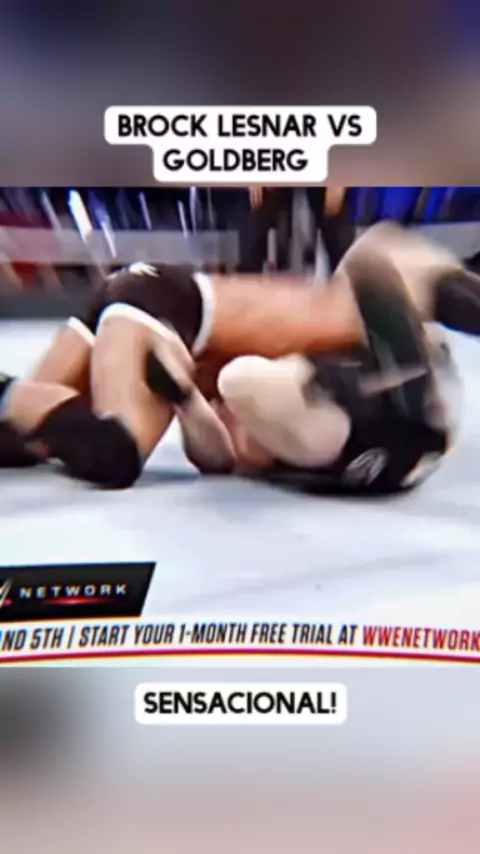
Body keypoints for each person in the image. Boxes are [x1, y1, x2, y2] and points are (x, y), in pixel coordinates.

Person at [0, 240, 457, 494]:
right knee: (115, 450)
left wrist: (185, 399)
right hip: (168, 309)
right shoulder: (325, 340)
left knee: (19, 441)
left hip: (148, 299)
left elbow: (215, 459)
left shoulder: (278, 420)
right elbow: (376, 263)